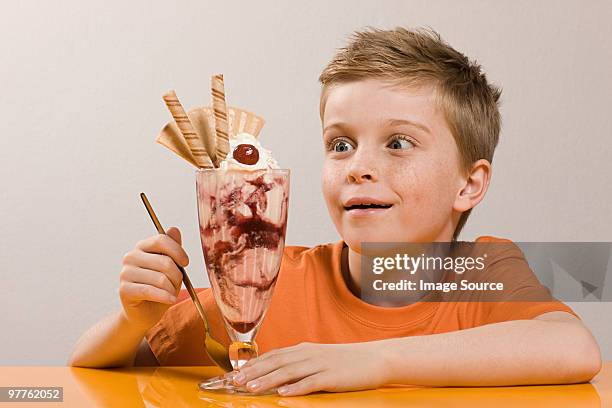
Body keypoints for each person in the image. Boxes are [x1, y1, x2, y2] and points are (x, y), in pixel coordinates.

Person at [68, 27, 602, 396]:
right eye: (340, 145)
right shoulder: (269, 285)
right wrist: (131, 317)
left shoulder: (483, 271)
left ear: (470, 183)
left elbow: (572, 347)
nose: (358, 167)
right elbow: (96, 367)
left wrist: (374, 361)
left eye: (398, 143)